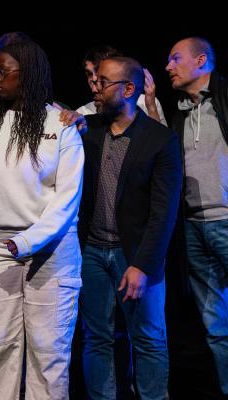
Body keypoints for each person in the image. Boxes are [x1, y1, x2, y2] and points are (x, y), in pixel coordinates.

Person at [0, 39, 84, 400]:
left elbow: (67, 200)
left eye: (4, 70)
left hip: (52, 251)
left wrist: (29, 241)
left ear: (27, 73)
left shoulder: (61, 125)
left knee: (48, 352)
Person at [78, 56, 182, 399]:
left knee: (148, 337)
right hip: (93, 252)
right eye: (95, 80)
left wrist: (143, 265)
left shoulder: (159, 140)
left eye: (103, 82)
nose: (95, 88)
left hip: (136, 254)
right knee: (97, 338)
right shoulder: (89, 130)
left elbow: (164, 212)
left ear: (127, 89)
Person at [166, 36, 228, 396]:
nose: (169, 66)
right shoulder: (181, 113)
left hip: (226, 220)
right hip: (194, 226)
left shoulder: (224, 98)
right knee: (215, 325)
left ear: (201, 61)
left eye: (176, 58)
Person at [76, 45, 167, 126]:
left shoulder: (146, 103)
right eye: (89, 74)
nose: (94, 79)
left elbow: (162, 137)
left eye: (99, 71)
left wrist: (151, 107)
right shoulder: (83, 113)